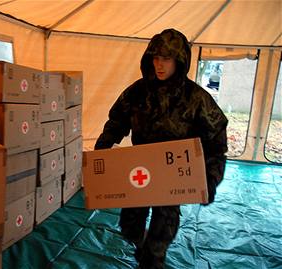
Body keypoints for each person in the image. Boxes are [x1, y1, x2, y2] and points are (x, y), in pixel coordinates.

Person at [94, 29, 228, 269]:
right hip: (140, 172)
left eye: (166, 59)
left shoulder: (196, 98)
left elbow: (216, 142)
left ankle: (153, 260)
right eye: (155, 58)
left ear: (179, 60)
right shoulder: (137, 91)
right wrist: (103, 148)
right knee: (129, 225)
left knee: (161, 235)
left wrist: (210, 179)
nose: (159, 64)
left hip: (172, 176)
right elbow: (117, 121)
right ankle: (145, 251)